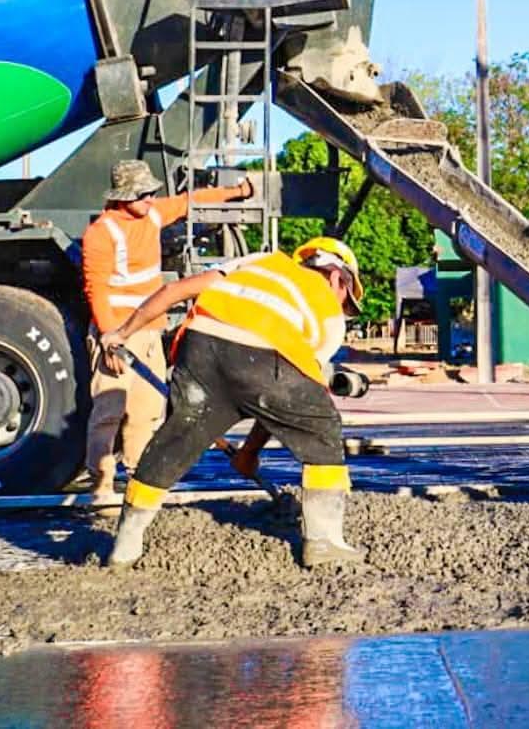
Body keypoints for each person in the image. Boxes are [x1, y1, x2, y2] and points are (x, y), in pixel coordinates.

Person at [99, 237, 367, 569]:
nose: (342, 306)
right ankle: (324, 542)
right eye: (346, 298)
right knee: (322, 428)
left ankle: (125, 546)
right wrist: (250, 453)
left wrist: (122, 333)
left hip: (200, 347)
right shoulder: (328, 317)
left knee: (175, 440)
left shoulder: (261, 261)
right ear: (338, 278)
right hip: (265, 360)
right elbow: (286, 399)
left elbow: (174, 292)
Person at [79, 159, 252, 497]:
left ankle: (136, 483)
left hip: (147, 333)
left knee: (145, 414)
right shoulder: (101, 233)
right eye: (142, 193)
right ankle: (100, 487)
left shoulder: (154, 213)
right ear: (122, 197)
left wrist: (237, 192)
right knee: (108, 413)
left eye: (152, 192)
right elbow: (95, 288)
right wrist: (110, 340)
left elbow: (191, 200)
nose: (150, 198)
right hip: (117, 333)